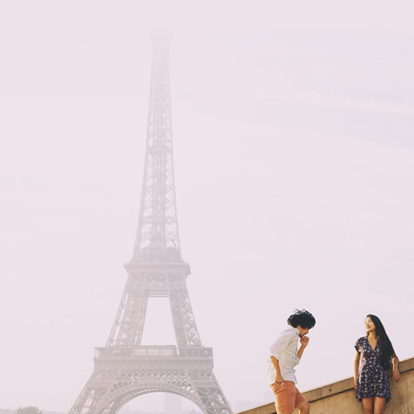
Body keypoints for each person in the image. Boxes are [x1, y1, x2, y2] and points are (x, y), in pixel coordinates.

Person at [267, 309, 316, 414]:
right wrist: (278, 374)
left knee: (304, 406)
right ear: (301, 325)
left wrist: (303, 346)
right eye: (307, 328)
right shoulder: (291, 333)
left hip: (287, 378)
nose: (307, 331)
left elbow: (293, 362)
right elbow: (273, 350)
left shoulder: (293, 335)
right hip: (283, 380)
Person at [354, 314, 400, 414]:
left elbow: (394, 357)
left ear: (376, 323)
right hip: (365, 379)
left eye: (370, 321)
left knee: (378, 412)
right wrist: (355, 378)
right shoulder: (361, 341)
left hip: (380, 379)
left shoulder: (383, 341)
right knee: (368, 411)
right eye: (365, 323)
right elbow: (356, 361)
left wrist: (395, 369)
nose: (367, 324)